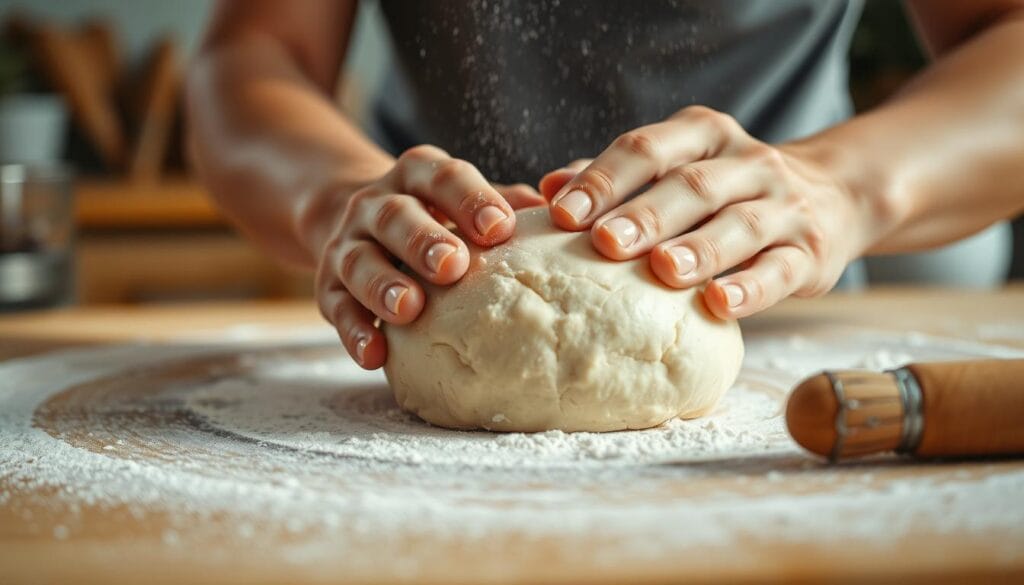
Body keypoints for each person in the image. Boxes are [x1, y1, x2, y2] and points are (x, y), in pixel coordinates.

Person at [187, 0, 1024, 370]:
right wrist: (337, 197)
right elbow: (253, 55)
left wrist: (842, 186)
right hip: (425, 295)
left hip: (780, 318)